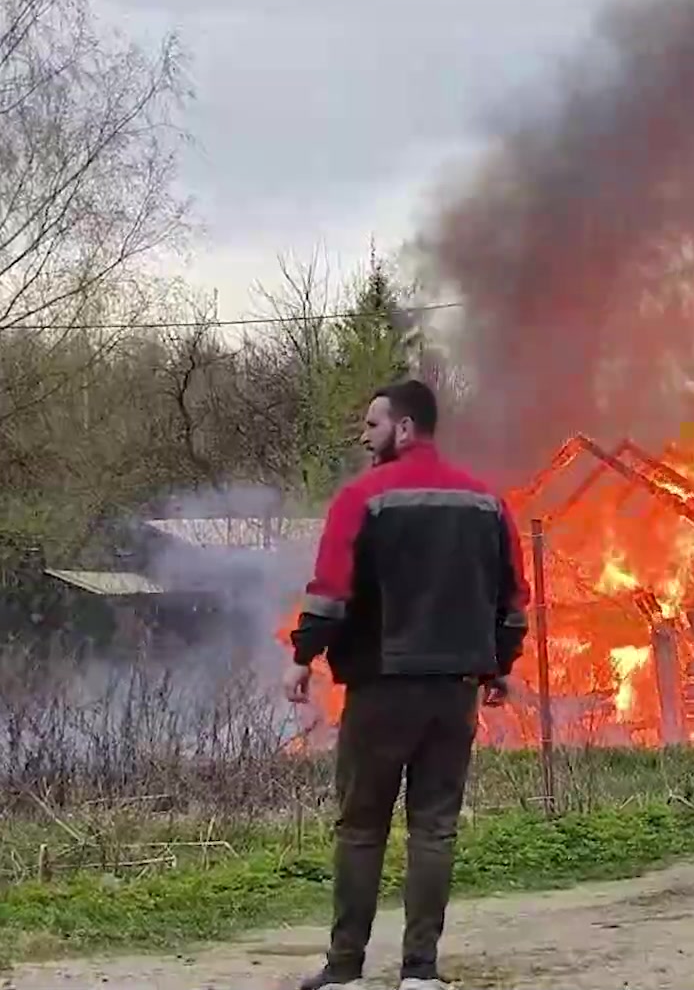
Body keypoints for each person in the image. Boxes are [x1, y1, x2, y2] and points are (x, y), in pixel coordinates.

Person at [284, 378, 529, 990]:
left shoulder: (362, 498)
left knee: (363, 826)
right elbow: (513, 600)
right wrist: (498, 663)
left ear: (405, 428)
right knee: (435, 827)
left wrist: (302, 655)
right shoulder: (487, 503)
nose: (365, 439)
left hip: (381, 688)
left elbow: (331, 589)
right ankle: (420, 973)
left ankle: (346, 969)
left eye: (372, 426)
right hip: (453, 693)